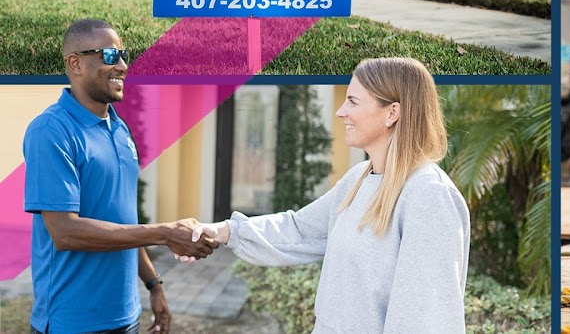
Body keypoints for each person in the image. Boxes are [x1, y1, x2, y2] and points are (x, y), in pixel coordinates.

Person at [187, 57, 471, 333]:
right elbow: (298, 230)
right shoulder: (357, 180)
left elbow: (426, 320)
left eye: (353, 101)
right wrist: (223, 231)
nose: (341, 111)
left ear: (392, 113)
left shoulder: (429, 196)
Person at [22, 18, 219, 334]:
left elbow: (123, 222)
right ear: (76, 63)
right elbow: (65, 232)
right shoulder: (51, 132)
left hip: (126, 318)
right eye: (110, 56)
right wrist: (164, 232)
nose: (124, 66)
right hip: (72, 323)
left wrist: (154, 285)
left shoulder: (119, 128)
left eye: (125, 55)